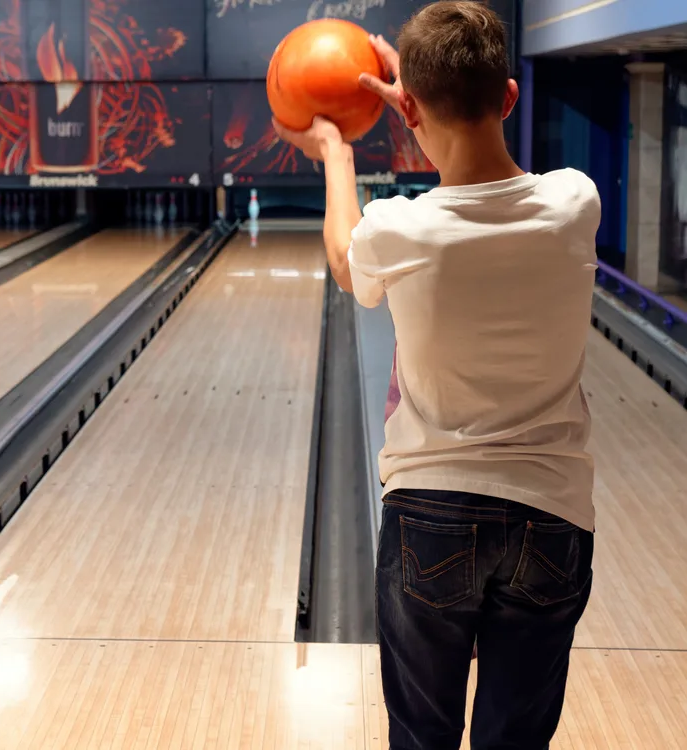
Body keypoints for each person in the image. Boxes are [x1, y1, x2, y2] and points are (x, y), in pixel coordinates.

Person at [274, 2, 600, 749]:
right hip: (551, 517)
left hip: (430, 516)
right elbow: (481, 174)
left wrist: (338, 152)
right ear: (510, 97)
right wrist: (422, 103)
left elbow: (342, 256)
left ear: (408, 106)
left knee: (421, 737)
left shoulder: (398, 228)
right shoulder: (575, 201)